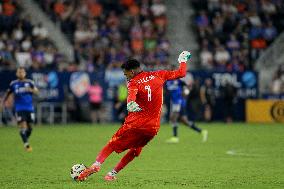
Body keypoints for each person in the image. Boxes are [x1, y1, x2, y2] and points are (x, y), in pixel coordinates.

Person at [77, 51, 191, 182]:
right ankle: (112, 174)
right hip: (152, 128)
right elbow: (181, 73)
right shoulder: (159, 75)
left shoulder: (133, 83)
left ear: (131, 72)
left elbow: (131, 97)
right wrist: (182, 60)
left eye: (126, 74)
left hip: (135, 124)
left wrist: (130, 103)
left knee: (112, 144)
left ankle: (96, 165)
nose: (126, 77)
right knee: (136, 151)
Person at [1, 67, 39, 152]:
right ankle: (27, 145)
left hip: (30, 108)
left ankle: (25, 138)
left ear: (25, 73)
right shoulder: (13, 84)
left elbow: (37, 91)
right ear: (16, 74)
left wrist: (31, 90)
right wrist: (2, 103)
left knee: (30, 128)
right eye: (19, 72)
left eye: (22, 72)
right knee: (23, 126)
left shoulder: (29, 82)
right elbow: (7, 94)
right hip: (19, 108)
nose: (20, 73)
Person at [166, 78, 208, 143]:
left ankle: (175, 137)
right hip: (174, 102)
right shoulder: (168, 81)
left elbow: (188, 86)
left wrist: (186, 93)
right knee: (185, 121)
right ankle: (202, 131)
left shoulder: (178, 80)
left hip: (179, 102)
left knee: (173, 118)